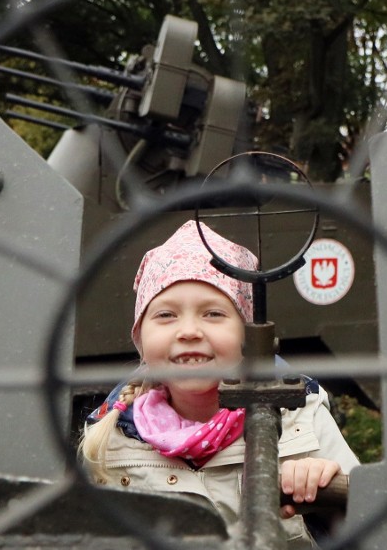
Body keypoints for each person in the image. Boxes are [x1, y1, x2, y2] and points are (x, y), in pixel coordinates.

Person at [79, 220, 359, 547]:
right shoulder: (107, 444)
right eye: (166, 315)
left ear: (247, 335)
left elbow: (376, 524)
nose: (189, 331)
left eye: (212, 314)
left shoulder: (301, 419)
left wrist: (328, 491)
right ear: (141, 339)